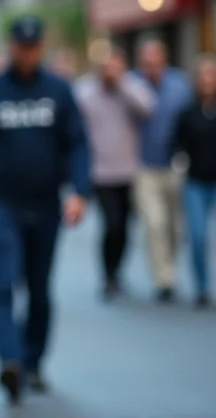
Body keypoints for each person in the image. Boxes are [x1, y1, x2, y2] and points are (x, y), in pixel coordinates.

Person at [0, 16, 89, 404]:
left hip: (45, 204)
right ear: (12, 46)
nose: (28, 52)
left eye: (35, 46)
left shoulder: (59, 91)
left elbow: (77, 145)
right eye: (22, 45)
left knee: (38, 289)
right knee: (3, 284)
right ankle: (11, 361)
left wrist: (79, 191)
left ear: (42, 48)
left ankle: (33, 361)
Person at [74, 47, 156, 298]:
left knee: (125, 228)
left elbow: (148, 108)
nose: (109, 72)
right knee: (111, 223)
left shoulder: (131, 87)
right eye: (105, 67)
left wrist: (122, 84)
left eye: (114, 66)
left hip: (129, 171)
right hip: (100, 171)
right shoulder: (85, 92)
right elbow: (73, 126)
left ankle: (117, 270)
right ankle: (108, 274)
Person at [134, 38, 192, 302]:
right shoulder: (132, 85)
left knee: (174, 226)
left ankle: (169, 264)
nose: (152, 68)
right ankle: (163, 278)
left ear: (164, 60)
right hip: (144, 166)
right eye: (147, 63)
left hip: (175, 164)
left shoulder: (179, 85)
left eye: (156, 62)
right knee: (154, 224)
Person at [173, 54, 216, 309]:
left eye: (211, 75)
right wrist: (179, 158)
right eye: (203, 76)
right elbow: (178, 143)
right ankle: (202, 286)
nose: (207, 81)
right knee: (198, 236)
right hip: (196, 183)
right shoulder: (188, 112)